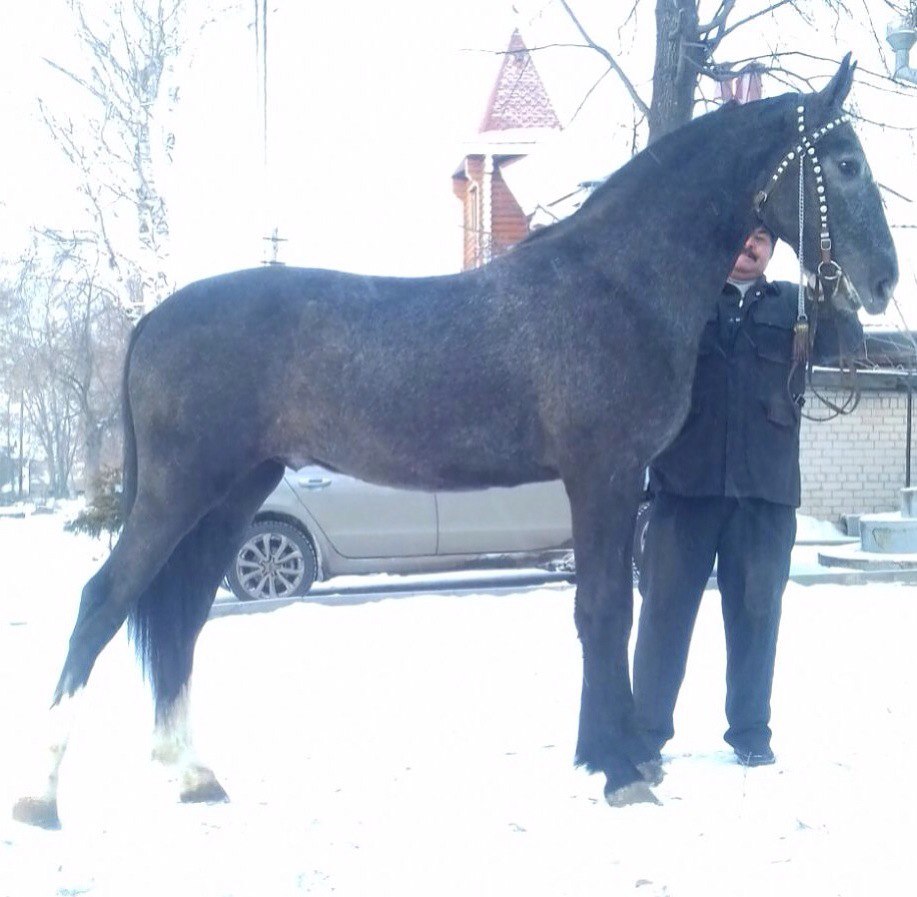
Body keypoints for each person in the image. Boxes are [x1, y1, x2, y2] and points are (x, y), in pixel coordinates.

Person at [632, 225, 863, 767]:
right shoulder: (681, 297)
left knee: (757, 614)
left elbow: (848, 337)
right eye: (741, 232)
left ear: (775, 246)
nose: (750, 244)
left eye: (762, 236)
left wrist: (831, 275)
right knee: (664, 614)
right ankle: (643, 735)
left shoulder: (796, 306)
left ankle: (751, 733)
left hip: (764, 493)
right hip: (682, 487)